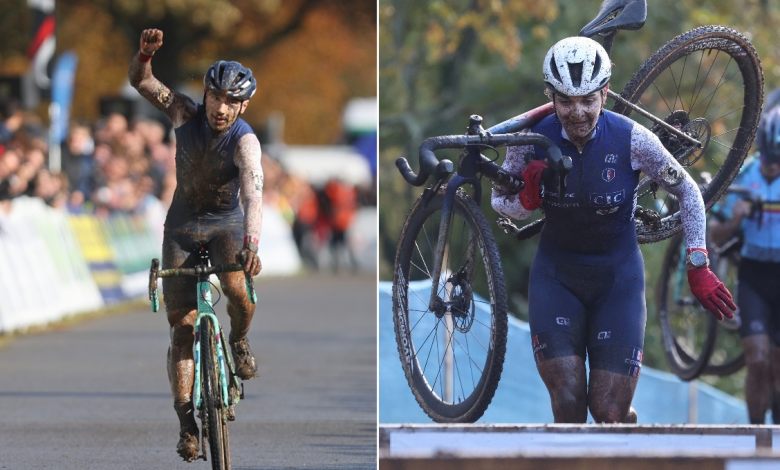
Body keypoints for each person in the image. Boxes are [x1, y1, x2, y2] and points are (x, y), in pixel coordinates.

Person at [491, 36, 736, 423]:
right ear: (550, 96)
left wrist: (697, 262)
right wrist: (525, 199)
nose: (578, 112)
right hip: (557, 276)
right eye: (567, 102)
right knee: (569, 403)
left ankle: (622, 420)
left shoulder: (633, 138)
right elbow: (499, 202)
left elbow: (688, 191)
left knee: (607, 411)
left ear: (605, 93)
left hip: (618, 279)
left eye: (588, 100)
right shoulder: (530, 139)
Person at [128, 28, 264, 461]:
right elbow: (142, 83)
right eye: (215, 97)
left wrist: (252, 242)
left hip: (226, 226)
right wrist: (145, 57)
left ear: (243, 105)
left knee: (240, 294)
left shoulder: (245, 141)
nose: (221, 108)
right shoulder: (184, 114)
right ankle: (187, 422)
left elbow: (253, 192)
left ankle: (239, 340)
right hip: (182, 227)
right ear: (205, 95)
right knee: (182, 327)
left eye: (230, 101)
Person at [709, 105, 780, 424]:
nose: (772, 168)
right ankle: (756, 435)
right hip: (753, 275)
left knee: (776, 366)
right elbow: (717, 237)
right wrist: (735, 219)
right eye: (769, 159)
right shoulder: (745, 174)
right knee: (757, 358)